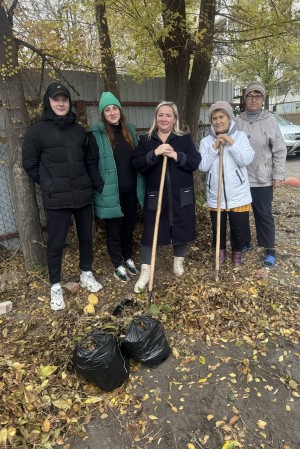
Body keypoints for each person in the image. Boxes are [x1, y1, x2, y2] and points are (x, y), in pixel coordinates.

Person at [22, 82, 103, 311]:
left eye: (64, 99)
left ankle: (86, 273)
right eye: (56, 99)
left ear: (68, 103)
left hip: (82, 195)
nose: (61, 103)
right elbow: (30, 164)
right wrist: (49, 184)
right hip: (56, 199)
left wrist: (90, 182)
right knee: (56, 244)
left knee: (86, 237)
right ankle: (55, 285)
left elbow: (87, 160)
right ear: (48, 102)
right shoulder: (36, 132)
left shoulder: (78, 130)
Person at [132, 101, 201, 293]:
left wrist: (177, 156)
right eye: (160, 115)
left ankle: (178, 262)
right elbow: (137, 163)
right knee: (150, 231)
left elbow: (195, 162)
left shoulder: (183, 139)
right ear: (156, 117)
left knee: (181, 226)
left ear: (175, 119)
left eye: (168, 115)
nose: (164, 118)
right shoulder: (146, 140)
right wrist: (155, 153)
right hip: (156, 195)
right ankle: (146, 270)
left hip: (181, 194)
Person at [87, 92, 144, 283]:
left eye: (114, 108)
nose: (112, 112)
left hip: (130, 190)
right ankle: (117, 264)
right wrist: (101, 187)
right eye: (107, 109)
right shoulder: (97, 135)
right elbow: (91, 164)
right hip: (111, 192)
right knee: (114, 230)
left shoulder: (130, 131)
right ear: (103, 114)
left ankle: (127, 258)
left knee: (128, 227)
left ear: (120, 110)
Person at [235, 81, 287, 267]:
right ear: (245, 99)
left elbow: (280, 150)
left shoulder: (270, 120)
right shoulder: (237, 121)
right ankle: (246, 242)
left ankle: (269, 249)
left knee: (263, 213)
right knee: (240, 213)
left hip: (262, 177)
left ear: (263, 99)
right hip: (240, 178)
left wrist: (278, 175)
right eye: (250, 96)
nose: (254, 99)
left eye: (258, 96)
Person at [199, 101, 255, 266]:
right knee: (218, 229)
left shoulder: (240, 137)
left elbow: (246, 159)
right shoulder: (206, 141)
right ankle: (220, 254)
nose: (218, 121)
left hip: (238, 194)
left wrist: (231, 143)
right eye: (214, 118)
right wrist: (214, 147)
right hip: (216, 195)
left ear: (229, 118)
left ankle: (236, 256)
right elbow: (202, 166)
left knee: (238, 229)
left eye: (221, 117)